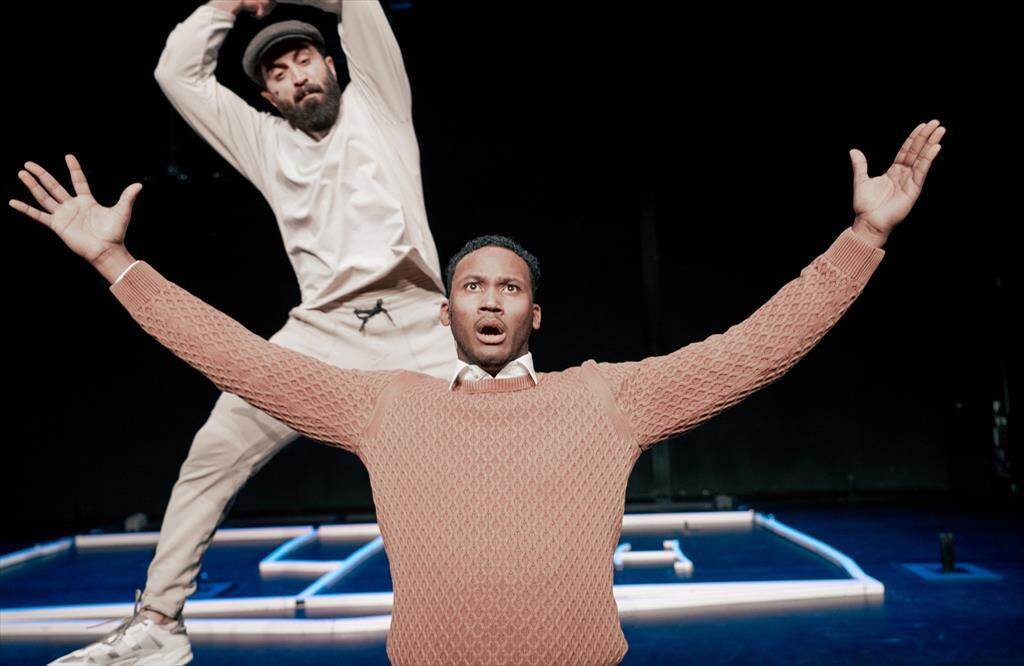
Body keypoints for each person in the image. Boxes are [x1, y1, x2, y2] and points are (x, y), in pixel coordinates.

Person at [11, 118, 944, 665]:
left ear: (536, 313)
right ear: (447, 309)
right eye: (472, 286)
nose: (490, 300)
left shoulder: (606, 400)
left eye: (509, 288)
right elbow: (240, 359)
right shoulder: (388, 407)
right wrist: (117, 264)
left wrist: (864, 238)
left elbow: (755, 350)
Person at [18, 0, 457, 663]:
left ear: (332, 64)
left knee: (504, 447)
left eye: (304, 60)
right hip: (320, 334)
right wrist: (229, 4)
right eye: (278, 74)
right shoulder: (265, 141)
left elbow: (358, 5)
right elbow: (177, 73)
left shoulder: (380, 106)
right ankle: (158, 623)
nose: (297, 77)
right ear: (268, 97)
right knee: (213, 453)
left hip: (420, 322)